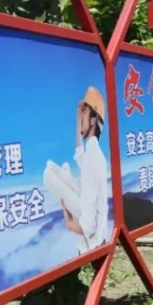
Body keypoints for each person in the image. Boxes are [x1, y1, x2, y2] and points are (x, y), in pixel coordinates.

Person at [43, 86, 110, 253]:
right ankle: (60, 175)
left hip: (92, 243)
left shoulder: (93, 158)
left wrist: (71, 225)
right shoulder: (92, 152)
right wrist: (78, 119)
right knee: (57, 170)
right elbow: (80, 155)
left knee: (49, 176)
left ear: (93, 120)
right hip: (95, 238)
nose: (81, 118)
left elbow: (89, 222)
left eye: (84, 114)